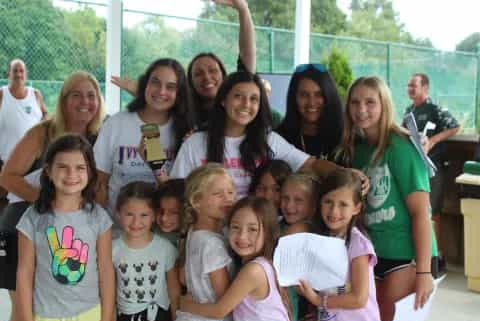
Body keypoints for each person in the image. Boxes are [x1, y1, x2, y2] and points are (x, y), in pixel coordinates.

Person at [0, 70, 106, 321]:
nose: (84, 102)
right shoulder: (42, 132)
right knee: (24, 312)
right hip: (24, 223)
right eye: (76, 94)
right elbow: (7, 176)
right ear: (63, 100)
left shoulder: (100, 136)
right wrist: (50, 202)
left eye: (91, 95)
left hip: (70, 231)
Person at [338, 76, 436, 321]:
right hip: (373, 258)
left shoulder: (401, 146)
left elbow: (421, 212)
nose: (362, 109)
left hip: (407, 259)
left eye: (370, 102)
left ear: (385, 105)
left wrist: (424, 272)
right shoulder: (356, 150)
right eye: (355, 102)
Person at [16, 134, 115, 321]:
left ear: (90, 172)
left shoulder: (99, 217)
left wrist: (107, 320)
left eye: (80, 167)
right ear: (48, 171)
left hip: (91, 313)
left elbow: (107, 271)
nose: (71, 175)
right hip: (48, 315)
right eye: (63, 167)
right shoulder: (33, 218)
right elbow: (24, 273)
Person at [170, 71, 339, 199]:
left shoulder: (269, 139)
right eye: (238, 96)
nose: (246, 104)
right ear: (223, 100)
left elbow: (312, 164)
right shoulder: (195, 143)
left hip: (255, 231)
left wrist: (349, 175)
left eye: (254, 99)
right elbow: (177, 190)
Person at [179, 196, 299, 321]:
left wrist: (187, 305)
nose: (242, 236)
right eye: (236, 227)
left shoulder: (254, 270)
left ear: (268, 232)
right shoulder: (259, 264)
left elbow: (220, 310)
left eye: (252, 229)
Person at [112, 0, 256, 130]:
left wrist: (243, 10)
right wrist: (144, 92)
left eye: (213, 70)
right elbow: (163, 100)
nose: (207, 77)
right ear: (190, 83)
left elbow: (246, 54)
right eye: (198, 74)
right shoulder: (185, 111)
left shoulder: (237, 104)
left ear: (223, 75)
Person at [297, 169, 389, 321]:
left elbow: (359, 298)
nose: (334, 211)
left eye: (343, 205)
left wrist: (318, 301)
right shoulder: (321, 242)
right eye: (328, 202)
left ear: (356, 208)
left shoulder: (358, 243)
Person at [94, 58, 193, 219]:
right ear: (145, 84)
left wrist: (156, 165)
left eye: (170, 87)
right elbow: (99, 182)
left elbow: (182, 196)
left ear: (179, 93)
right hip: (117, 227)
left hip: (163, 227)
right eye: (155, 82)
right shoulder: (116, 123)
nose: (161, 91)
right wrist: (101, 227)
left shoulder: (185, 132)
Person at [171, 163, 235, 321]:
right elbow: (225, 298)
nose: (228, 198)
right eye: (218, 194)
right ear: (196, 201)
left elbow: (183, 277)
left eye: (231, 192)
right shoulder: (211, 243)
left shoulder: (195, 233)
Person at [113, 181, 180, 321]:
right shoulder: (112, 249)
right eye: (129, 214)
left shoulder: (165, 248)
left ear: (154, 216)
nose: (136, 222)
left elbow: (173, 290)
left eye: (144, 215)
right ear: (118, 213)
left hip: (159, 315)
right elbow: (109, 289)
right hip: (127, 316)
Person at [405, 73, 460, 268]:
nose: (410, 89)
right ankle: (419, 256)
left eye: (414, 85)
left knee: (433, 212)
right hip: (414, 168)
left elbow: (455, 126)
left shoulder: (435, 108)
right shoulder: (408, 111)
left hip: (434, 167)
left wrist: (434, 140)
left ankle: (436, 257)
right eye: (408, 86)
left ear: (425, 88)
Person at [280, 171, 321, 321]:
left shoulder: (298, 230)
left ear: (313, 205)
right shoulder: (286, 226)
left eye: (298, 200)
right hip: (301, 311)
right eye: (285, 198)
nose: (289, 206)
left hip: (295, 312)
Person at [0, 59, 47, 203]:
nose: (19, 74)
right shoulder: (2, 94)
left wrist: (41, 127)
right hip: (6, 160)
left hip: (33, 161)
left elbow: (46, 114)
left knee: (26, 200)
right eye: (15, 70)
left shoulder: (36, 94)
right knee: (5, 200)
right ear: (9, 73)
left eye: (22, 71)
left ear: (26, 74)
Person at [276, 63, 343, 161]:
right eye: (304, 95)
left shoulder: (345, 137)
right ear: (294, 97)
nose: (311, 103)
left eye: (319, 94)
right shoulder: (279, 138)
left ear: (329, 96)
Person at [154, 178, 185, 247]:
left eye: (174, 213)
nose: (164, 218)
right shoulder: (149, 233)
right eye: (161, 211)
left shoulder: (193, 237)